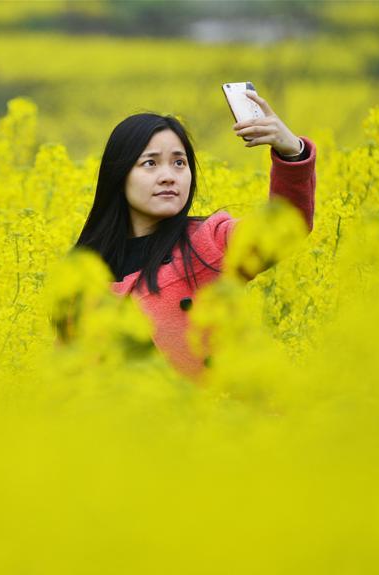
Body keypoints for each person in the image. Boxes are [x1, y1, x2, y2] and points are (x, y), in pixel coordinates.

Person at [71, 90, 316, 378]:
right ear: (119, 176)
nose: (169, 176)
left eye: (179, 163)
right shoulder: (84, 273)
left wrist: (292, 152)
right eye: (150, 163)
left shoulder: (208, 243)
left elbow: (284, 227)